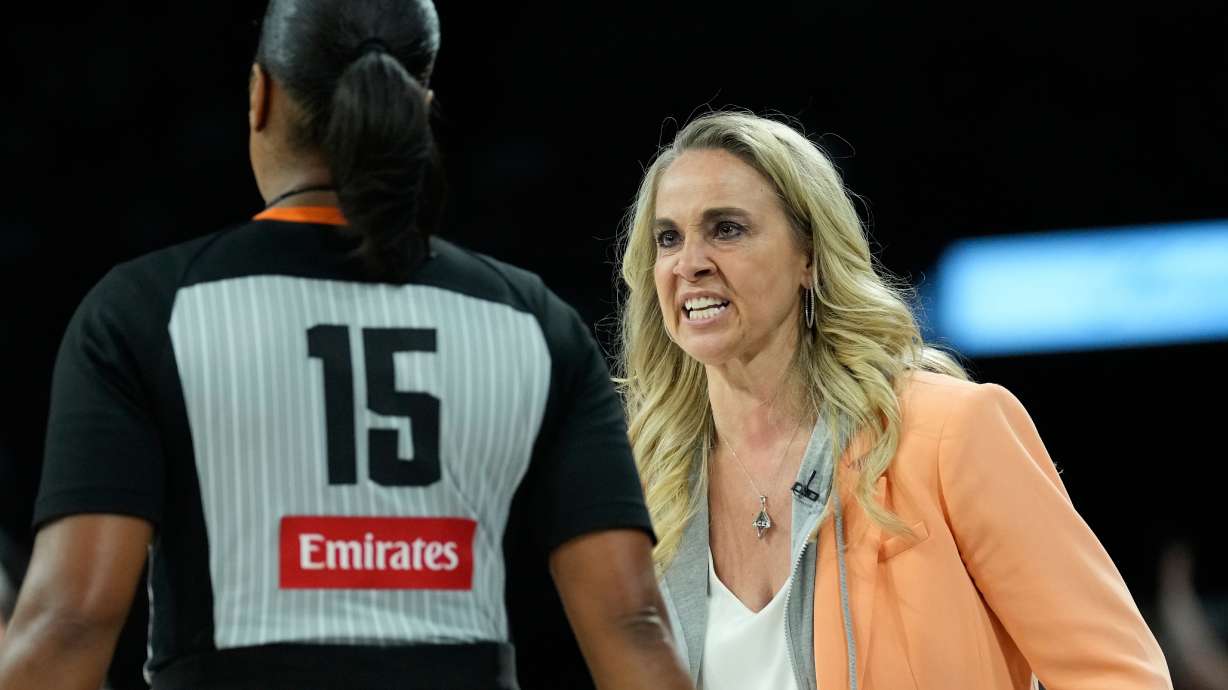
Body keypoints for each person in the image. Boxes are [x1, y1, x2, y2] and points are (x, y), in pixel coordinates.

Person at [0, 2, 692, 689]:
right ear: (419, 103)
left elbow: (71, 625)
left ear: (259, 95)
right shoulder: (534, 323)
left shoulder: (147, 311)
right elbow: (632, 625)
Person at [614, 111, 1172, 689]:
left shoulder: (948, 431)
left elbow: (1117, 676)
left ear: (809, 255)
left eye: (726, 228)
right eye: (668, 238)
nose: (690, 263)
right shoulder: (646, 477)